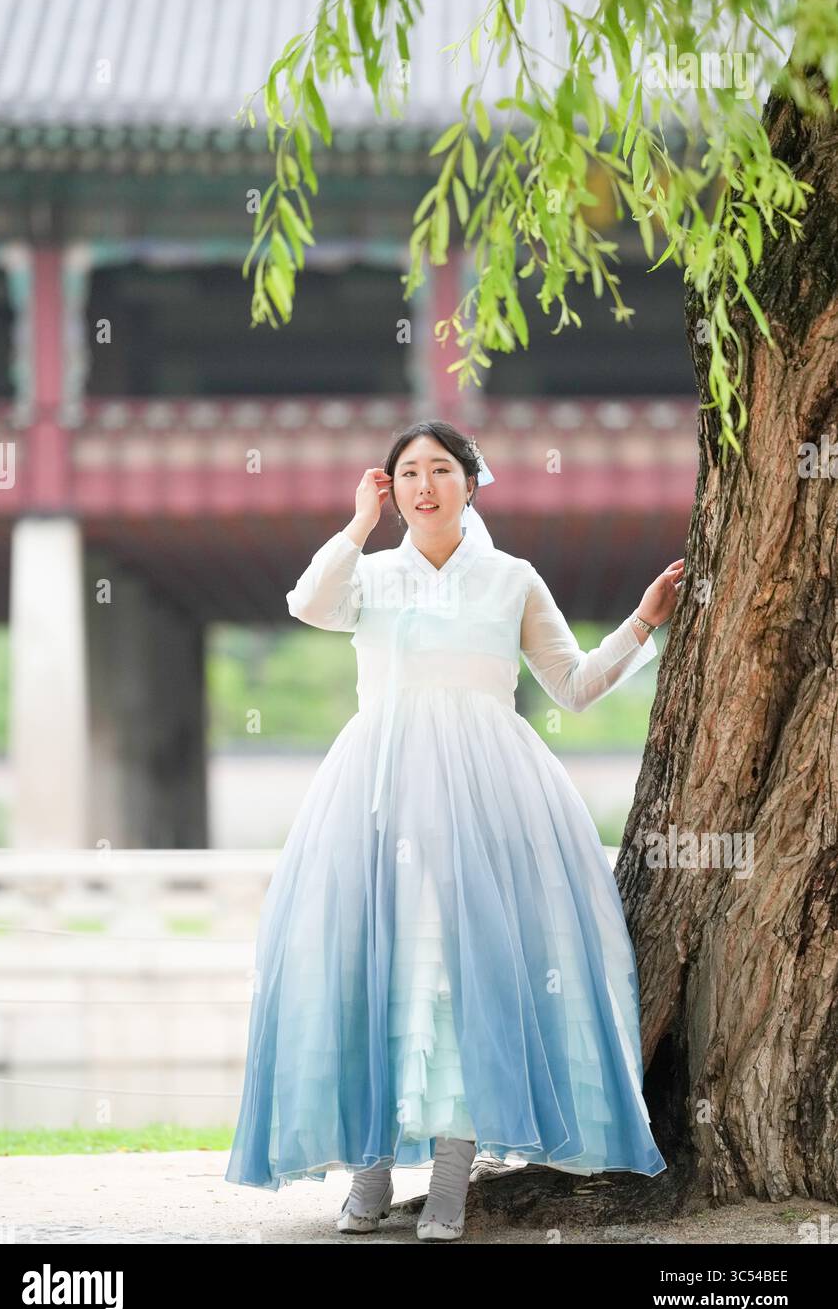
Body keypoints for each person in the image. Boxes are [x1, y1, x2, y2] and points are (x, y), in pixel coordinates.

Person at [225, 419, 683, 1241]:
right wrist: (357, 524)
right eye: (407, 474)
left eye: (441, 470)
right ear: (390, 489)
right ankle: (367, 1176)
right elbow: (309, 604)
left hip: (487, 793)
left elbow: (572, 685)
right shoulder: (368, 574)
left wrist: (643, 622)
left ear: (472, 485)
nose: (424, 485)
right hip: (377, 788)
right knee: (371, 963)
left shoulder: (511, 579)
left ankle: (447, 1186)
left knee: (463, 973)